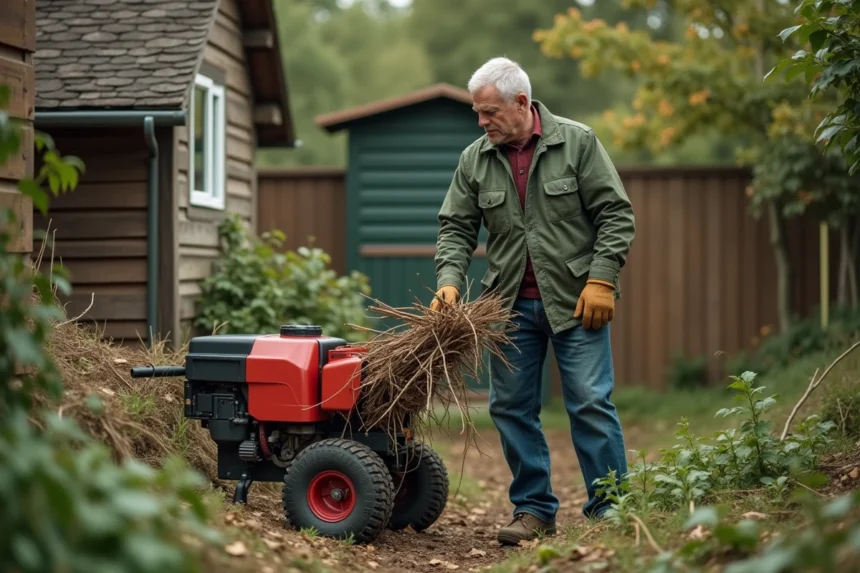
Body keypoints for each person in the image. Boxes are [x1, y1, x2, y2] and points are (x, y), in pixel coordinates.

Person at [431, 57, 636, 545]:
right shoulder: (474, 160)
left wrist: (602, 278)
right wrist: (450, 280)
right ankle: (534, 510)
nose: (481, 122)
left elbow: (616, 214)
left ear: (521, 103)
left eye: (489, 112)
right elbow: (456, 228)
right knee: (510, 408)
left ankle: (612, 509)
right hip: (506, 307)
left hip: (576, 302)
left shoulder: (578, 143)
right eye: (477, 114)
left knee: (589, 403)